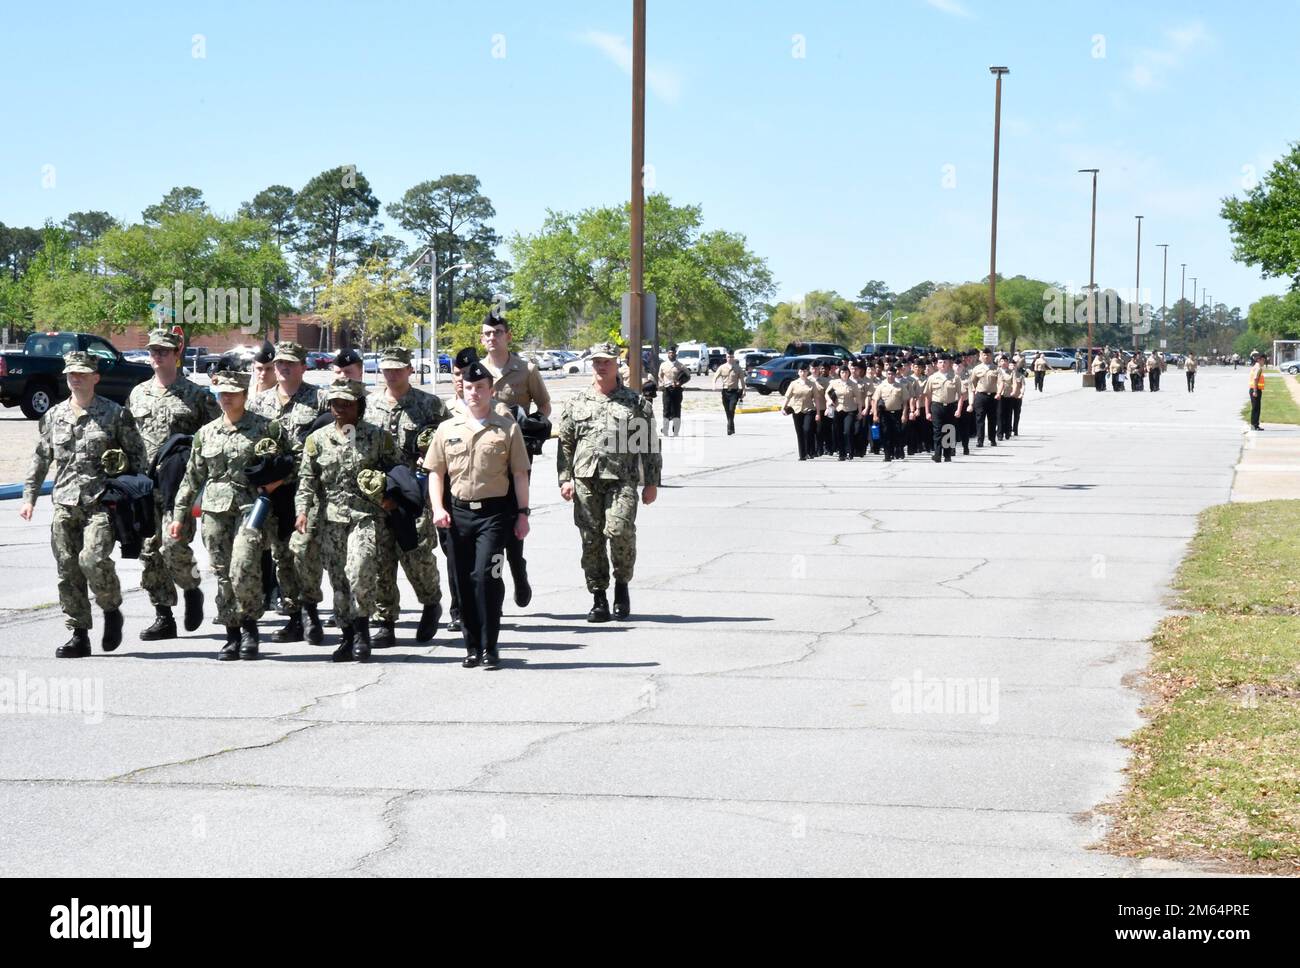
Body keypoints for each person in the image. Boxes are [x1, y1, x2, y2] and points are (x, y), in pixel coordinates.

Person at [20, 351, 148, 657]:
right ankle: (79, 634)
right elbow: (41, 458)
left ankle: (111, 608)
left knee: (92, 560)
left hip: (101, 504)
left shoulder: (115, 415)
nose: (75, 378)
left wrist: (128, 490)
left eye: (81, 373)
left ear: (95, 377)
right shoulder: (53, 416)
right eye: (70, 374)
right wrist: (29, 497)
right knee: (68, 570)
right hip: (65, 503)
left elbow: (138, 457)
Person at [170, 370, 292, 660]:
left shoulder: (267, 429)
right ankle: (232, 634)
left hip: (251, 508)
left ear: (244, 396)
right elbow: (192, 478)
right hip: (215, 512)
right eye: (222, 393)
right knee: (223, 572)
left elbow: (291, 462)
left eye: (232, 393)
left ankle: (250, 626)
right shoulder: (206, 433)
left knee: (243, 565)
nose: (226, 398)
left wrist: (276, 482)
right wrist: (178, 515)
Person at [426, 361, 531, 668]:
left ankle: (490, 646)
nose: (473, 393)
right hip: (458, 516)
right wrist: (438, 508)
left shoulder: (507, 427)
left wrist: (523, 513)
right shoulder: (447, 429)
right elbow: (436, 473)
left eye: (480, 387)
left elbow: (520, 474)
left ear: (491, 390)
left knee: (487, 577)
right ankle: (472, 646)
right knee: (464, 582)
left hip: (495, 515)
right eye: (469, 387)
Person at [556, 342, 661, 622]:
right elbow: (565, 444)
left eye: (607, 361)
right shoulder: (576, 401)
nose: (601, 366)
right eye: (597, 362)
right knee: (591, 539)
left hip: (622, 479)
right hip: (585, 480)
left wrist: (651, 482)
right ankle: (598, 597)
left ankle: (622, 585)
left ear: (617, 364)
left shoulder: (635, 403)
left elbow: (649, 445)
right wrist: (564, 479)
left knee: (619, 531)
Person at [297, 379, 399, 663]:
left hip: (366, 517)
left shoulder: (378, 437)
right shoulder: (316, 440)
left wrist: (391, 496)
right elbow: (307, 480)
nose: (339, 409)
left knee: (361, 569)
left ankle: (364, 631)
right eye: (335, 404)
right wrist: (303, 511)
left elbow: (397, 471)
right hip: (331, 519)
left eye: (346, 404)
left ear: (359, 406)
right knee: (339, 580)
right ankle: (347, 635)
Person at [128, 328, 220, 641]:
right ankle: (163, 616)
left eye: (164, 351)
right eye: (153, 351)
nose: (157, 356)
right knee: (149, 551)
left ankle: (192, 587)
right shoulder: (138, 393)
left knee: (174, 546)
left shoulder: (196, 395)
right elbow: (130, 438)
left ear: (176, 354)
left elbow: (216, 434)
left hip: (179, 486)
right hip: (143, 485)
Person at [365, 346, 450, 645]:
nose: (391, 374)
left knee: (416, 554)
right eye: (386, 368)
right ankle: (385, 620)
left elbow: (447, 447)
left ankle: (431, 603)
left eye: (397, 369)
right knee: (380, 558)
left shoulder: (430, 405)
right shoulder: (369, 404)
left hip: (414, 492)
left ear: (410, 370)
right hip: (378, 491)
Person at [248, 341, 327, 644]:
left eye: (290, 363)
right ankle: (294, 616)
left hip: (306, 491)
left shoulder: (319, 400)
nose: (283, 368)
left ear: (303, 366)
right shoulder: (259, 403)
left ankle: (311, 610)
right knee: (281, 555)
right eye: (280, 363)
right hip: (272, 493)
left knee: (305, 551)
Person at [480, 313, 552, 608]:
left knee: (514, 512)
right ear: (482, 337)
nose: (492, 337)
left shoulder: (526, 369)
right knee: (490, 519)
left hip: (515, 455)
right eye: (487, 333)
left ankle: (517, 569)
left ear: (507, 336)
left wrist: (536, 425)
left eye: (498, 332)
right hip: (482, 456)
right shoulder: (475, 370)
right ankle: (494, 579)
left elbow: (544, 404)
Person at [922, 353, 960, 462]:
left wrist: (958, 409)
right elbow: (927, 396)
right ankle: (937, 454)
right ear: (937, 365)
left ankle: (947, 455)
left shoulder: (955, 377)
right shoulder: (932, 378)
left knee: (949, 430)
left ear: (949, 364)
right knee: (937, 431)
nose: (943, 364)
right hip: (937, 406)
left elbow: (961, 394)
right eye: (940, 362)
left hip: (950, 406)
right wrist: (927, 412)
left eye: (945, 362)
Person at [782, 360, 821, 461]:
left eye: (805, 371)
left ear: (807, 372)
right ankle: (802, 455)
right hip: (796, 410)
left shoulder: (812, 384)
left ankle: (809, 451)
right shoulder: (793, 384)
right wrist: (783, 407)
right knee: (800, 432)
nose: (803, 373)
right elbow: (787, 396)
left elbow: (816, 399)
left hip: (809, 410)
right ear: (798, 372)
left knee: (807, 430)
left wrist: (817, 413)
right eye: (801, 371)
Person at [872, 364, 908, 461]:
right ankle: (887, 455)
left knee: (897, 433)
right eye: (888, 374)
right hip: (885, 414)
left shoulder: (900, 386)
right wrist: (875, 414)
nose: (890, 376)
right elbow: (875, 400)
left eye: (892, 374)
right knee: (885, 434)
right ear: (886, 374)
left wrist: (904, 414)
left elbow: (905, 402)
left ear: (895, 375)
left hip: (897, 413)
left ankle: (898, 449)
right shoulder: (881, 386)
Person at [826, 362, 859, 460]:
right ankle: (842, 453)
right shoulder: (834, 382)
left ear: (849, 373)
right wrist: (829, 400)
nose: (844, 374)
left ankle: (850, 451)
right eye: (842, 372)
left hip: (850, 410)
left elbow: (858, 398)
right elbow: (827, 393)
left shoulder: (853, 384)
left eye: (846, 372)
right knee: (838, 432)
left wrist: (860, 411)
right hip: (838, 409)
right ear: (839, 373)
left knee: (847, 431)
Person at [711, 350, 745, 435]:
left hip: (734, 392)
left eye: (732, 357)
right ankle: (732, 426)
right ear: (726, 358)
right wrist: (714, 385)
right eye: (728, 357)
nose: (730, 358)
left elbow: (742, 380)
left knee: (731, 409)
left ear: (734, 357)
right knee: (727, 410)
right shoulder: (722, 367)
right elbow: (715, 377)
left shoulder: (737, 368)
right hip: (725, 392)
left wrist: (744, 390)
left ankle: (729, 428)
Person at [970, 348, 999, 446]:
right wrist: (974, 391)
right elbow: (972, 382)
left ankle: (992, 439)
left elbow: (1000, 382)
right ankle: (980, 440)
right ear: (981, 356)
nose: (986, 357)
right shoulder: (977, 368)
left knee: (992, 419)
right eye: (984, 355)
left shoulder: (996, 368)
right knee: (980, 418)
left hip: (993, 396)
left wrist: (999, 393)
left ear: (991, 356)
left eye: (988, 355)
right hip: (981, 396)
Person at [657, 346, 688, 437]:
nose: (671, 354)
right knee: (666, 410)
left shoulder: (680, 365)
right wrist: (662, 382)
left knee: (676, 410)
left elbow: (688, 376)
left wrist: (680, 382)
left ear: (675, 354)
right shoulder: (663, 365)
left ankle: (676, 431)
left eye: (673, 353)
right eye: (670, 353)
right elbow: (660, 375)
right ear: (668, 354)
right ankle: (665, 430)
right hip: (667, 389)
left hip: (677, 390)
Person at [1248, 352, 1265, 430]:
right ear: (1260, 360)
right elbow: (1255, 379)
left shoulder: (1255, 366)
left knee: (1256, 408)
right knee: (1256, 408)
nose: (1264, 362)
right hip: (1255, 389)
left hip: (1254, 389)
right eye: (1263, 360)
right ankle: (1254, 425)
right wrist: (1255, 391)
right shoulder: (1258, 368)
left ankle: (1255, 425)